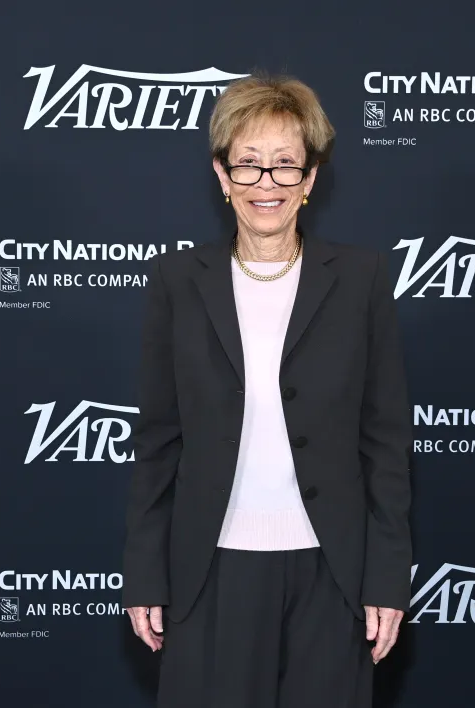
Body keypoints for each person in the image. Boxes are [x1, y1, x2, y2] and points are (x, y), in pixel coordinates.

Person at [122, 71, 413, 708]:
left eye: (285, 166)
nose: (266, 184)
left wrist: (387, 579)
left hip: (330, 572)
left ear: (310, 180)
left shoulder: (361, 279)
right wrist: (145, 572)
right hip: (208, 570)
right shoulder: (176, 280)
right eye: (248, 165)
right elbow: (157, 442)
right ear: (222, 176)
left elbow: (385, 443)